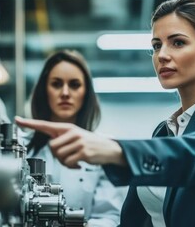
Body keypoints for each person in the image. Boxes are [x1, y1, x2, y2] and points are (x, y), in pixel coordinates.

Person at [16, 0, 195, 227]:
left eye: (178, 43)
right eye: (157, 45)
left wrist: (115, 150)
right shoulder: (164, 132)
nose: (162, 55)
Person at [19, 50, 123, 226]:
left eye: (74, 85)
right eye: (56, 84)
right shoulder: (22, 147)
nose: (65, 92)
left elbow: (111, 216)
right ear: (45, 91)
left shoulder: (104, 148)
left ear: (86, 93)